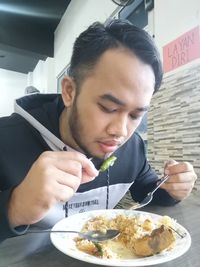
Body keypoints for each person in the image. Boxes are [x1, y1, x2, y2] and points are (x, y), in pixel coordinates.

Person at [0, 19, 197, 243]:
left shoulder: (132, 148)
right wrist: (13, 207)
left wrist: (173, 188)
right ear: (69, 91)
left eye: (135, 115)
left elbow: (148, 191)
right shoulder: (6, 139)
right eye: (108, 108)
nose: (120, 131)